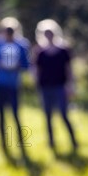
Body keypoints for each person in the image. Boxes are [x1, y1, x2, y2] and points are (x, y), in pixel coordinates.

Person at [33, 19, 78, 154]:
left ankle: (74, 142)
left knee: (64, 115)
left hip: (60, 86)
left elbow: (69, 69)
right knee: (47, 116)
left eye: (50, 33)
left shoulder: (63, 50)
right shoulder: (39, 51)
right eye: (46, 33)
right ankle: (51, 143)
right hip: (45, 87)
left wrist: (71, 85)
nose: (49, 36)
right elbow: (36, 70)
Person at [0, 17, 30, 156]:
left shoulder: (22, 44)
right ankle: (4, 144)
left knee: (16, 114)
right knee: (1, 115)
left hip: (14, 84)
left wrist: (18, 66)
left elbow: (26, 64)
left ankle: (21, 142)